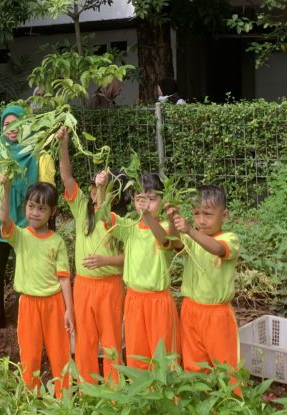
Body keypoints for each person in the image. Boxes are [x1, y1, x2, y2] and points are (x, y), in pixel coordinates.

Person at [57, 127, 125, 384]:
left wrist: (104, 261)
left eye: (108, 189)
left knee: (111, 342)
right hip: (84, 285)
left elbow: (126, 259)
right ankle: (87, 388)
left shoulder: (118, 221)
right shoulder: (81, 208)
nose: (99, 192)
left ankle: (114, 392)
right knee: (84, 339)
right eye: (96, 188)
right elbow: (66, 177)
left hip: (110, 286)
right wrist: (63, 144)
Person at [0, 104, 55, 327]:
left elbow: (48, 188)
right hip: (0, 221)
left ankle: (30, 318)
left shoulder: (38, 153)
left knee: (30, 272)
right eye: (6, 124)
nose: (11, 129)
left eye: (17, 124)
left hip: (30, 222)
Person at [0, 177, 73, 396]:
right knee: (29, 353)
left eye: (42, 208)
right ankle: (31, 396)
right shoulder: (20, 236)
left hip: (54, 304)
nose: (35, 213)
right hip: (28, 303)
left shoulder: (56, 241)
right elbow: (4, 219)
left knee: (60, 353)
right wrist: (6, 189)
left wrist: (69, 309)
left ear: (53, 212)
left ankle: (64, 397)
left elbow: (64, 278)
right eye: (31, 206)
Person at [167, 186, 241, 379]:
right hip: (190, 309)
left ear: (224, 215)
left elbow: (218, 249)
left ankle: (235, 404)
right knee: (194, 365)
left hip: (217, 314)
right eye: (196, 214)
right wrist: (171, 219)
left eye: (208, 214)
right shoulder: (191, 239)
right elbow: (175, 243)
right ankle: (198, 401)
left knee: (226, 367)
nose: (201, 220)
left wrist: (190, 230)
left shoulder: (229, 239)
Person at [110, 173, 179, 369]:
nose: (147, 204)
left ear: (162, 201)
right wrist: (101, 190)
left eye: (152, 199)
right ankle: (141, 398)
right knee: (136, 356)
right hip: (133, 299)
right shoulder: (129, 227)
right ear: (133, 201)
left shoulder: (165, 226)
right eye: (141, 198)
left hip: (159, 301)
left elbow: (166, 241)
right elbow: (104, 215)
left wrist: (148, 216)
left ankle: (167, 399)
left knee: (163, 358)